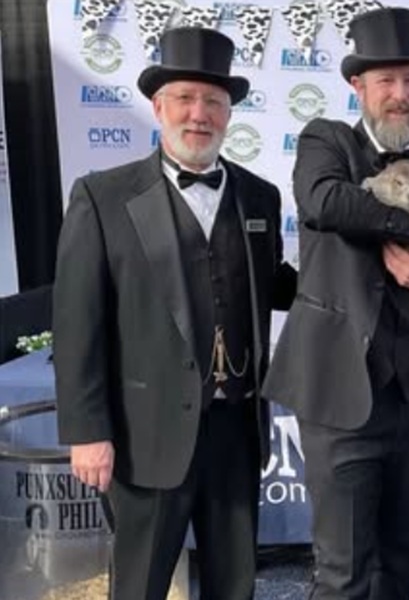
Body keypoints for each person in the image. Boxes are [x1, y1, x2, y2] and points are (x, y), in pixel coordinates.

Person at [53, 27, 295, 600]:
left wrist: (353, 270)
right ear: (159, 106)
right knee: (139, 585)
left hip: (236, 430)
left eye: (213, 101)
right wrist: (88, 432)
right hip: (146, 434)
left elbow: (278, 283)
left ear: (229, 112)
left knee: (234, 584)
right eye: (185, 99)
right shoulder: (102, 196)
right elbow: (77, 321)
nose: (199, 114)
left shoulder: (260, 197)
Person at [262, 7, 409, 600]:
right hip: (340, 402)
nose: (400, 94)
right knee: (343, 574)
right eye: (386, 81)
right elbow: (326, 204)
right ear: (358, 86)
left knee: (401, 563)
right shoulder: (325, 143)